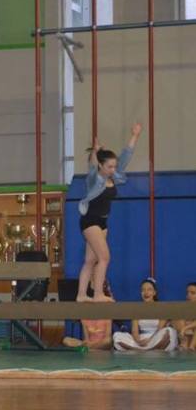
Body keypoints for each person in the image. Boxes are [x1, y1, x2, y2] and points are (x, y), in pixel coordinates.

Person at [76, 123, 142, 302]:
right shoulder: (94, 179)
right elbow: (91, 166)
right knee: (104, 257)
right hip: (90, 221)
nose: (114, 170)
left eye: (114, 166)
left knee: (91, 260)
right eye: (110, 167)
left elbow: (126, 155)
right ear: (101, 166)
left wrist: (135, 135)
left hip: (103, 222)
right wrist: (95, 152)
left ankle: (81, 295)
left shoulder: (115, 176)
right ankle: (98, 293)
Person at [112, 278, 178, 351]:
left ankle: (141, 350)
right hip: (142, 339)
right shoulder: (137, 309)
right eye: (143, 290)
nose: (146, 292)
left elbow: (159, 329)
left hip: (156, 337)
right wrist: (138, 341)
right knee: (117, 336)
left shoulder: (162, 308)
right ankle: (147, 349)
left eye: (149, 290)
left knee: (169, 331)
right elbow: (135, 331)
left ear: (154, 292)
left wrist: (149, 340)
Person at [62, 281, 114, 350]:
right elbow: (86, 339)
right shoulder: (85, 316)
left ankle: (90, 348)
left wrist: (90, 346)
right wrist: (87, 343)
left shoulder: (107, 313)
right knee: (66, 340)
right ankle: (90, 348)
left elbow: (107, 338)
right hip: (89, 344)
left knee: (108, 341)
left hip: (102, 344)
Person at [174, 282, 196, 350]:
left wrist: (185, 328)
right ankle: (184, 345)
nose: (188, 295)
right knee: (177, 318)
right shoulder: (183, 309)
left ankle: (191, 347)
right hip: (185, 337)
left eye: (192, 293)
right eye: (187, 293)